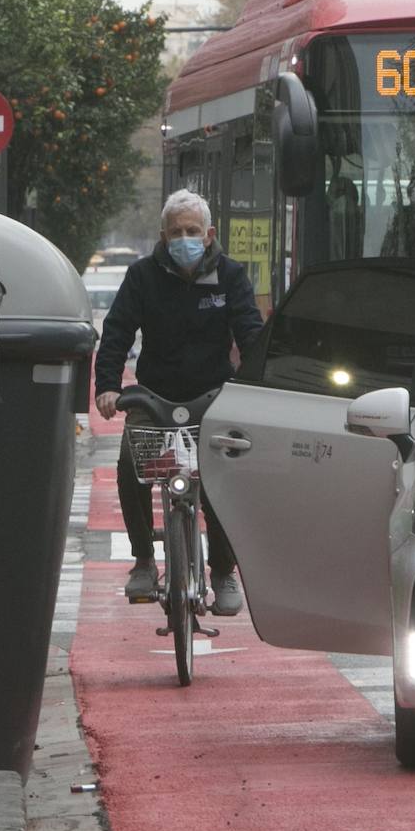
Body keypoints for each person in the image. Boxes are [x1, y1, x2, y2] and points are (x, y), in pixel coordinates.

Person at [94, 189, 265, 615]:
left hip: (213, 398)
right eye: (175, 233)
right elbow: (116, 332)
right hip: (154, 398)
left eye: (192, 231)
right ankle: (144, 561)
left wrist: (259, 383)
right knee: (131, 467)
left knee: (223, 484)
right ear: (162, 236)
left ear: (208, 235)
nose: (183, 239)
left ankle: (223, 570)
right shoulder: (142, 277)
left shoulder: (231, 276)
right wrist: (108, 387)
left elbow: (251, 333)